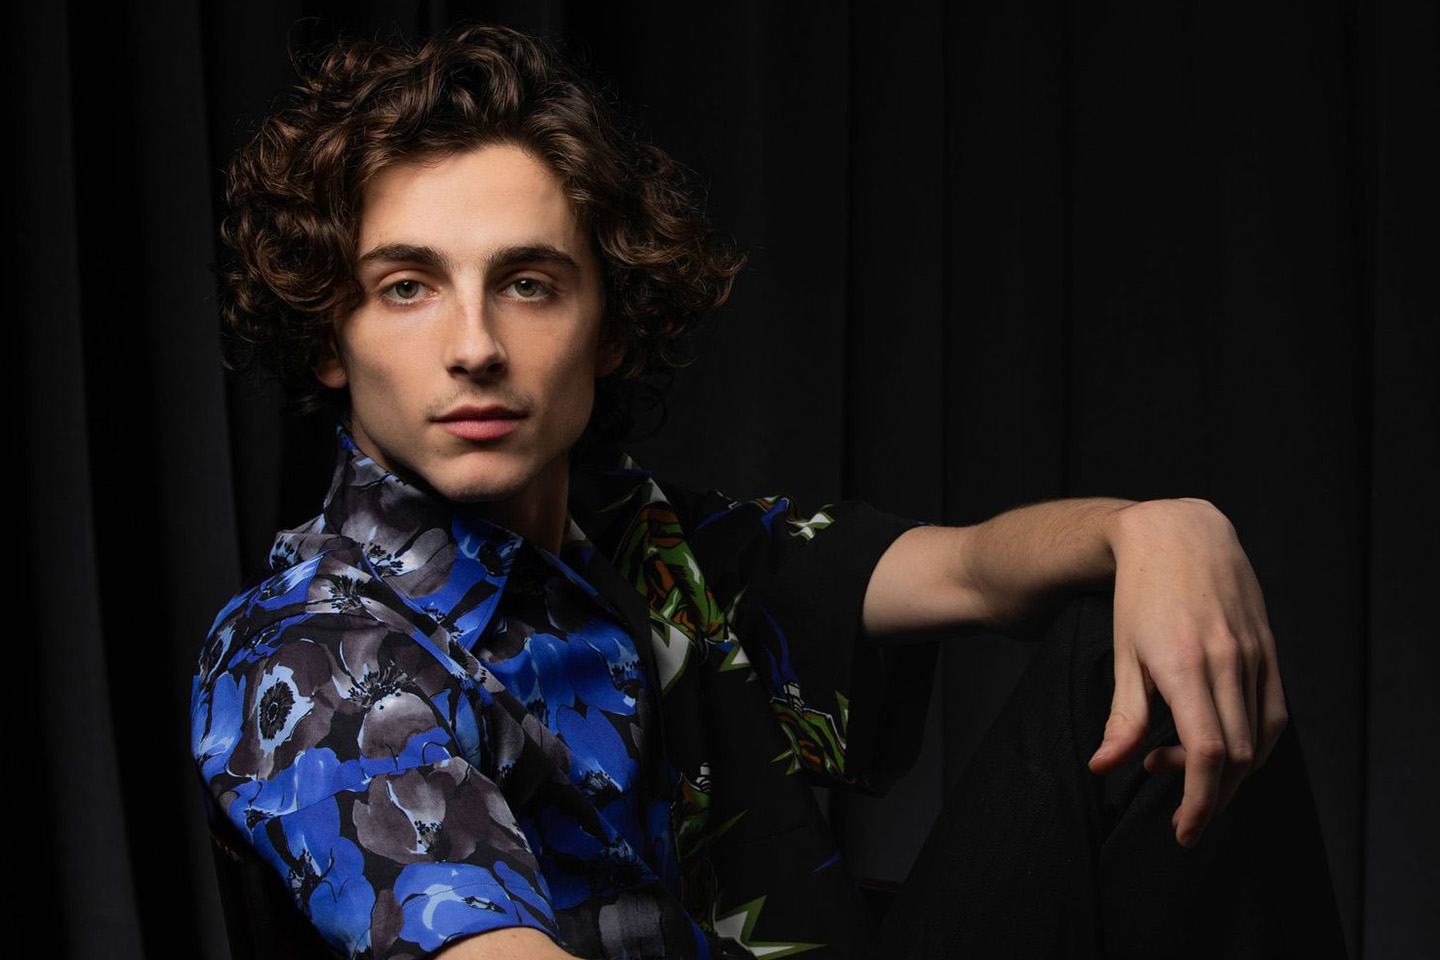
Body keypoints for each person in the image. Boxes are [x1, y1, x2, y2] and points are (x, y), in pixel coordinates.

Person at [189, 21, 1344, 960]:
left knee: (1129, 654)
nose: (475, 346)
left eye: (528, 283)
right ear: (330, 338)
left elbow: (975, 570)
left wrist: (1159, 531)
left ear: (608, 329)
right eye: (408, 287)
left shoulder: (648, 542)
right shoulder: (308, 657)